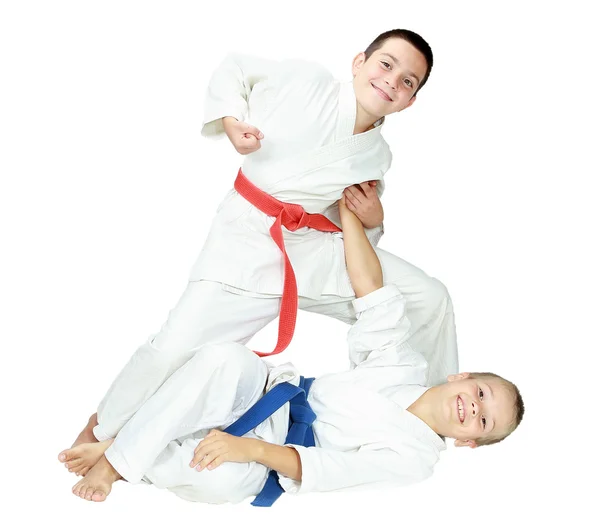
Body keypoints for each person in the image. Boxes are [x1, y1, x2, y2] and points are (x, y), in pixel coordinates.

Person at [61, 28, 458, 460]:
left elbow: (348, 227)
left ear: (411, 100)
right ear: (359, 62)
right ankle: (103, 427)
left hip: (311, 251)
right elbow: (236, 68)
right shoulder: (306, 82)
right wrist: (231, 123)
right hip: (246, 243)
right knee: (172, 348)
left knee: (428, 297)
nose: (392, 81)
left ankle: (428, 412)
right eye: (387, 64)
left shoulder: (376, 155)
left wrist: (375, 220)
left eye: (407, 82)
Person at [66, 196, 524, 504]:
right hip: (270, 393)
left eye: (484, 422)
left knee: (220, 477)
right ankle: (114, 460)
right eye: (483, 393)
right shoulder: (405, 366)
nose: (474, 408)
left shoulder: (416, 460)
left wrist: (248, 451)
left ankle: (120, 455)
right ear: (462, 376)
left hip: (272, 453)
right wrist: (350, 214)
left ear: (468, 441)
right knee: (224, 359)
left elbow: (324, 467)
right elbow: (371, 291)